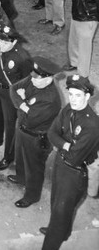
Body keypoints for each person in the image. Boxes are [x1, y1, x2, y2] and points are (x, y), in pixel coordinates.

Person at [40, 75, 99, 250]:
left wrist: (62, 144)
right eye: (71, 94)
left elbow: (74, 157)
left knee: (60, 212)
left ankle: (52, 241)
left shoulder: (92, 125)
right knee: (55, 202)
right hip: (60, 163)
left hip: (75, 173)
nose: (73, 99)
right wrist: (67, 144)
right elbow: (51, 133)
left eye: (78, 95)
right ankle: (62, 232)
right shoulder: (68, 109)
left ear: (87, 97)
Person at [9, 57, 62, 208]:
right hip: (22, 128)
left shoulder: (50, 99)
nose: (32, 80)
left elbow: (31, 120)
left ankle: (32, 196)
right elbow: (14, 88)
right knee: (19, 156)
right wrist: (24, 105)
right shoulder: (34, 78)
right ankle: (21, 177)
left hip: (36, 137)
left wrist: (23, 100)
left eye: (37, 79)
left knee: (34, 168)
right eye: (33, 76)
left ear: (48, 79)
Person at [0, 27, 33, 172]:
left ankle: (8, 157)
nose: (2, 44)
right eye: (1, 40)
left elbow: (28, 80)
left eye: (6, 42)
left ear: (15, 42)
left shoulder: (22, 57)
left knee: (10, 125)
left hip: (10, 94)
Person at [65, 0, 99, 76]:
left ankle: (83, 73)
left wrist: (94, 20)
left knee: (84, 47)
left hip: (88, 20)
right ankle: (74, 63)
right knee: (73, 41)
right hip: (76, 15)